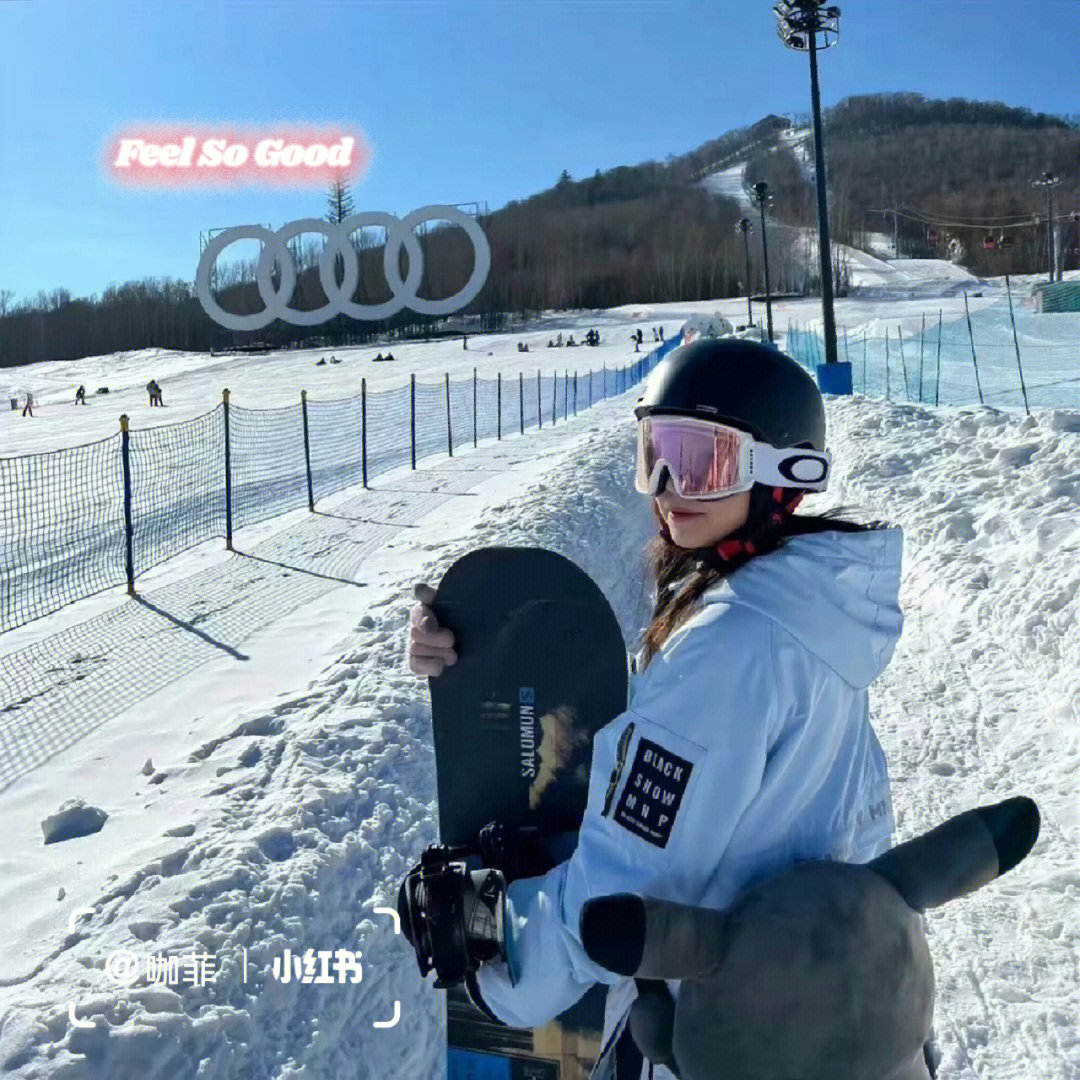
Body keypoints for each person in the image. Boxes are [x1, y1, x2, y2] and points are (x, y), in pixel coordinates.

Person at [407, 338, 917, 1079]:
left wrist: (496, 953)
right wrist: (480, 651)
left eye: (700, 459)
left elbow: (619, 892)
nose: (668, 485)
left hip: (719, 1033)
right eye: (655, 452)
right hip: (807, 1015)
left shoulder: (731, 649)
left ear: (784, 472)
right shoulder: (815, 615)